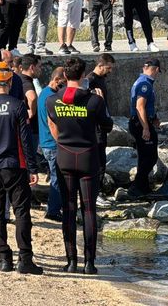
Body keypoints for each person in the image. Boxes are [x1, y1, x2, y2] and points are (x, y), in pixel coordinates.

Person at [46, 57, 113, 275]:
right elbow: (107, 126)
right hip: (87, 157)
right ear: (83, 75)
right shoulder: (94, 101)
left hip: (64, 156)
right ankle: (90, 263)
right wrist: (100, 103)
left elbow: (53, 123)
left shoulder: (52, 101)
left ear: (65, 76)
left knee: (68, 210)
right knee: (89, 210)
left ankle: (71, 261)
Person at [0, 61, 43, 274]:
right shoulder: (17, 105)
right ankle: (25, 259)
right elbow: (25, 140)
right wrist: (33, 168)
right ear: (11, 80)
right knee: (21, 212)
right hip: (15, 165)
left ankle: (4, 258)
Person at [128, 58, 161, 198]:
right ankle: (136, 186)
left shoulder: (141, 81)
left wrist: (154, 118)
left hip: (141, 122)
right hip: (140, 123)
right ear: (157, 70)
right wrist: (146, 128)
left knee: (143, 156)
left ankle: (143, 186)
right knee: (151, 157)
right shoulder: (145, 84)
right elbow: (140, 106)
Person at [85, 53, 115, 207]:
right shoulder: (90, 81)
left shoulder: (101, 79)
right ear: (100, 65)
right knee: (98, 161)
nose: (110, 71)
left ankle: (98, 191)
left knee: (101, 159)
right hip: (95, 127)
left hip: (101, 126)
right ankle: (94, 194)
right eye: (108, 68)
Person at [37, 66, 64, 222]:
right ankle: (53, 210)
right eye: (63, 82)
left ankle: (54, 207)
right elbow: (52, 123)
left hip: (46, 142)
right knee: (57, 178)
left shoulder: (44, 94)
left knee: (56, 177)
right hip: (52, 143)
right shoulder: (50, 97)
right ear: (56, 79)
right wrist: (61, 142)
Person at [20, 54, 41, 152]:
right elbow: (32, 97)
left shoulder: (18, 79)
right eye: (39, 67)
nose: (40, 70)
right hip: (31, 129)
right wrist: (31, 112)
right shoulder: (26, 82)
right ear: (32, 67)